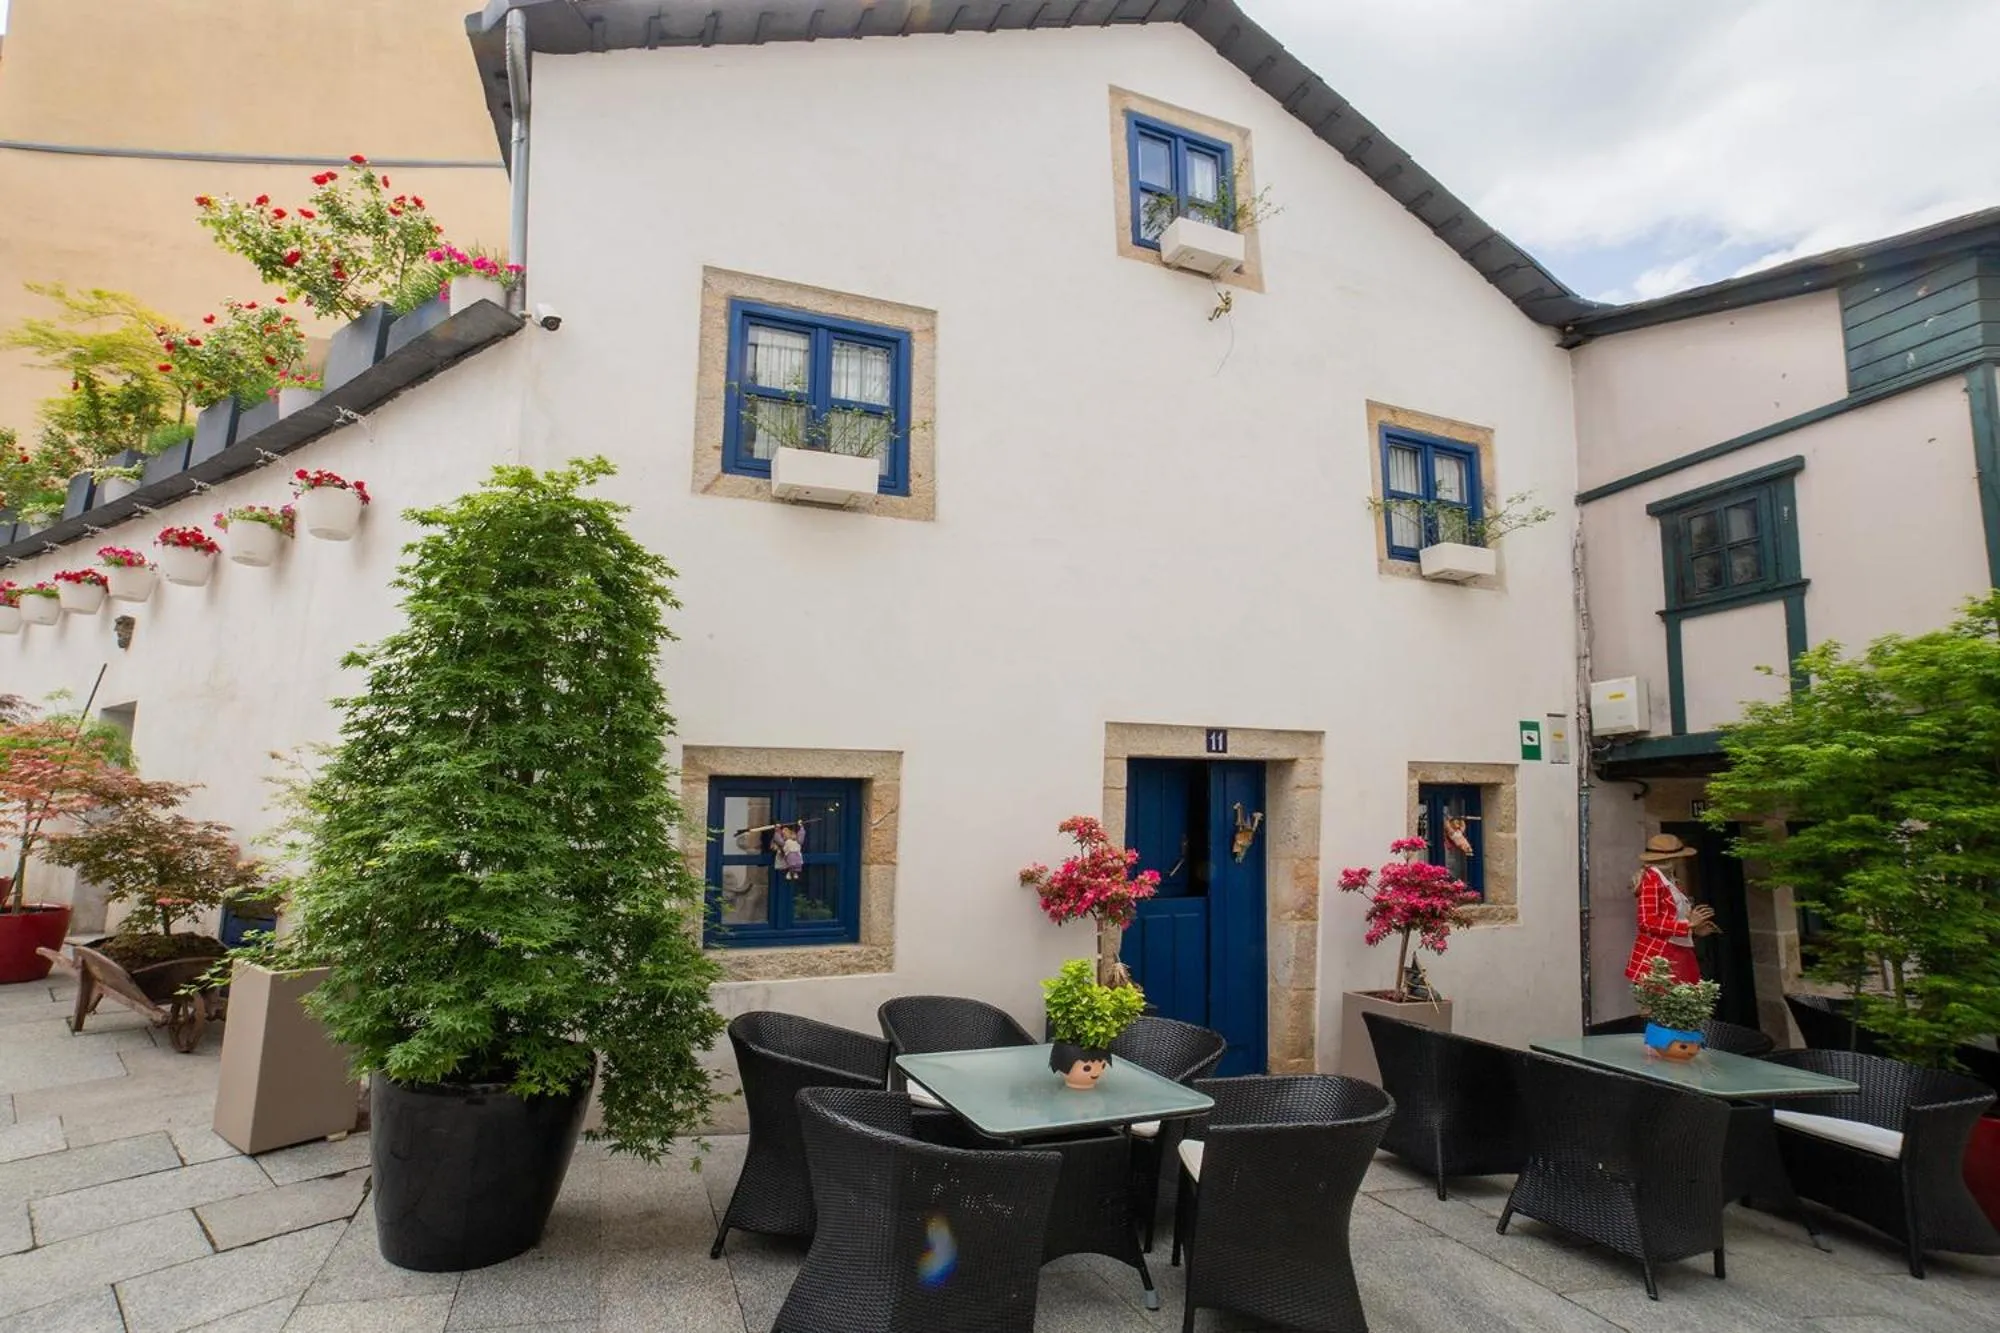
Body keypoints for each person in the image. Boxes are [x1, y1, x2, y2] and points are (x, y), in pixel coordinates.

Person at [1623, 834, 1714, 985]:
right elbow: (1647, 922)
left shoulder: (1669, 880)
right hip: (1661, 953)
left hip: (1678, 948)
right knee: (1665, 1003)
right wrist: (1688, 925)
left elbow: (1671, 917)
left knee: (1687, 1000)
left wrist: (1694, 929)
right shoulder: (1651, 880)